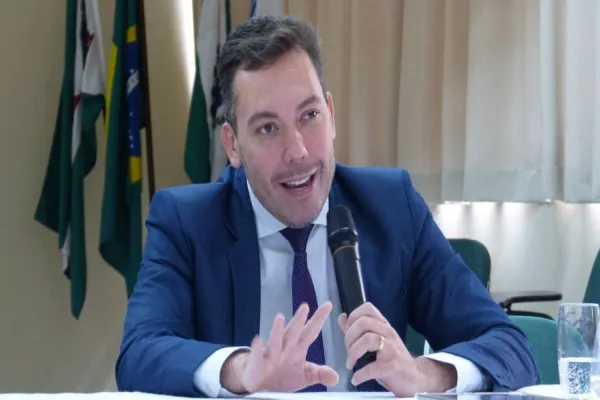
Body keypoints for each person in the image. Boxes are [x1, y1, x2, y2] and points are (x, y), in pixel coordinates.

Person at [115, 15, 539, 398]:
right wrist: (241, 369)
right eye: (267, 128)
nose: (298, 151)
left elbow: (509, 347)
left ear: (331, 114)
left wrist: (422, 373)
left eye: (309, 116)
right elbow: (139, 354)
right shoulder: (187, 222)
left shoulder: (392, 206)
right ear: (232, 145)